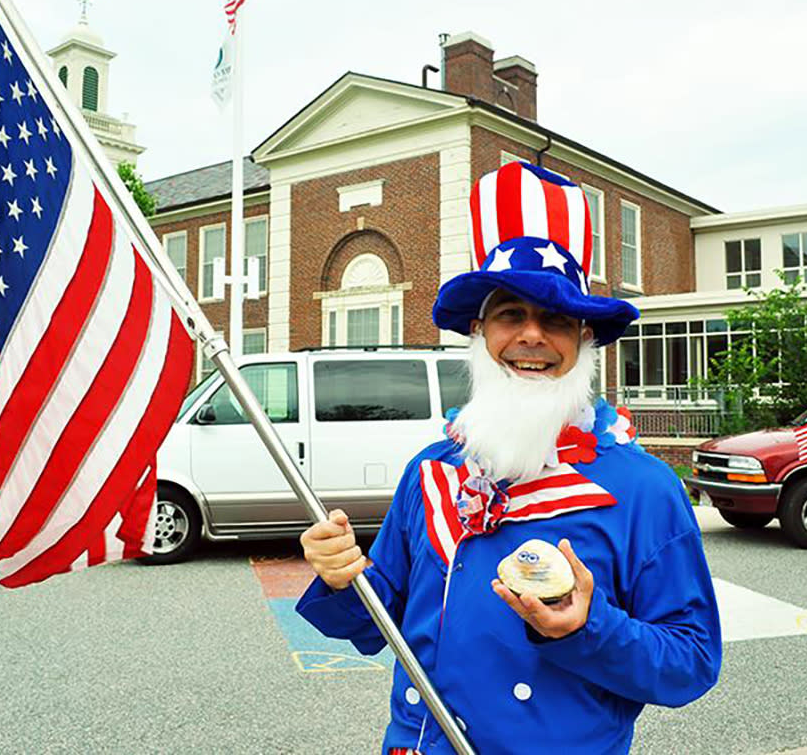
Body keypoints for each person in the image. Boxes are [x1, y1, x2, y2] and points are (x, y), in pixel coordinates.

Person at [296, 161, 722, 754]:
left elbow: (691, 663)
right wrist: (341, 576)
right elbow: (375, 623)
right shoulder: (431, 472)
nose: (531, 337)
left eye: (554, 320)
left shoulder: (643, 488)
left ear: (583, 341)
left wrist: (588, 627)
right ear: (479, 334)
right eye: (510, 315)